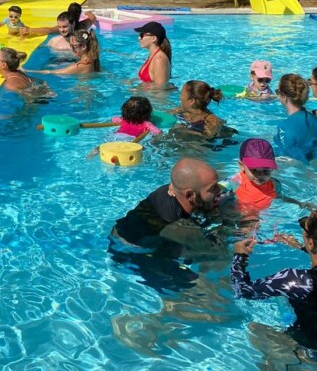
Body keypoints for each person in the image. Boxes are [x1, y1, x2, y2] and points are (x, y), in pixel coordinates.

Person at [109, 158, 223, 292]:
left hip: (133, 233)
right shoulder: (177, 226)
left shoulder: (175, 190)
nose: (220, 191)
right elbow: (212, 254)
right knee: (203, 287)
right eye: (213, 188)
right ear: (190, 195)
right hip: (129, 252)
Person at [232, 210, 317, 351]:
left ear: (310, 242)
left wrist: (239, 256)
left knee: (255, 330)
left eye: (303, 224)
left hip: (308, 347)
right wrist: (304, 249)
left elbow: (242, 290)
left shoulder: (296, 280)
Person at [220, 138, 315, 212]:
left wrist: (301, 203)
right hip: (237, 219)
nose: (260, 175)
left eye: (266, 171)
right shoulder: (233, 183)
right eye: (254, 171)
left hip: (261, 220)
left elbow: (282, 198)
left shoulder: (274, 185)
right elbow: (211, 193)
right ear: (241, 166)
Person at [274, 73, 317, 164]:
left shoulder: (284, 127)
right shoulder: (314, 119)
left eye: (278, 92)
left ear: (284, 97)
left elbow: (284, 159)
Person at [28, 28, 100, 75]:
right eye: (70, 45)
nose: (72, 49)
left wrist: (27, 71)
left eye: (74, 46)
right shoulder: (93, 58)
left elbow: (52, 72)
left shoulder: (80, 66)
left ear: (84, 46)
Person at [134, 21, 172, 89]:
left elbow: (160, 90)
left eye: (142, 35)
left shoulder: (159, 60)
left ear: (154, 38)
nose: (139, 38)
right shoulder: (152, 56)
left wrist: (137, 90)